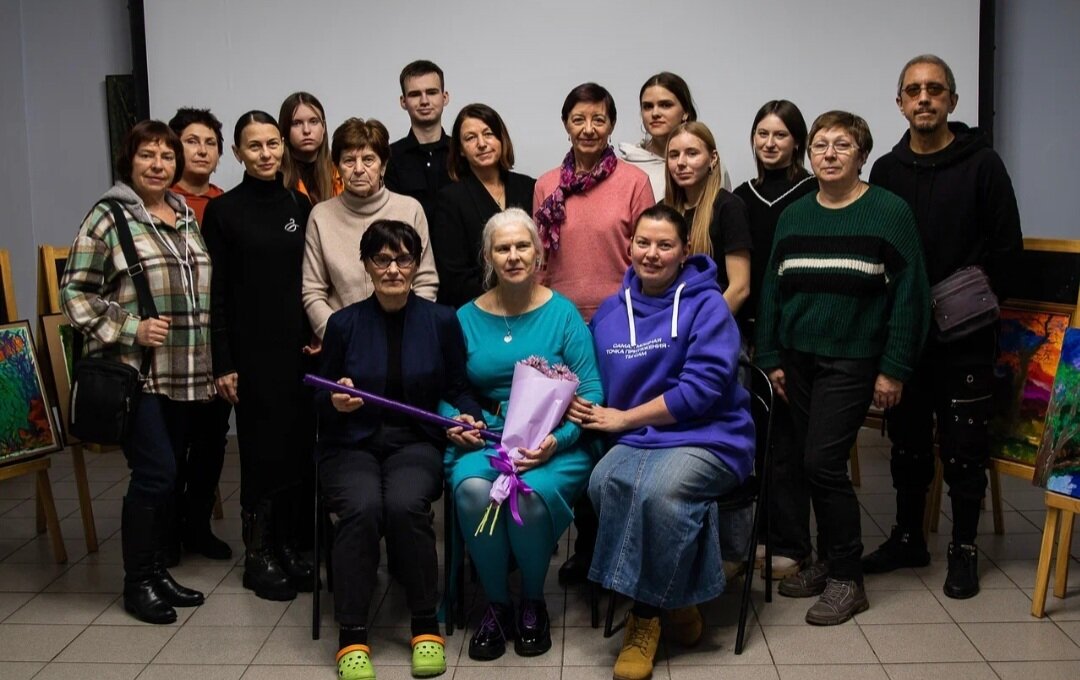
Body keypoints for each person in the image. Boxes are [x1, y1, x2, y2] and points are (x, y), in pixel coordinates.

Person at [755, 110, 930, 625]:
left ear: (862, 155)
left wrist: (894, 369)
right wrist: (771, 357)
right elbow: (772, 289)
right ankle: (829, 560)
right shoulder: (795, 215)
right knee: (804, 459)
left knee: (822, 463)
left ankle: (848, 579)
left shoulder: (888, 211)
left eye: (842, 145)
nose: (829, 155)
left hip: (852, 359)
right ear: (808, 155)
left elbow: (910, 296)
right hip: (796, 359)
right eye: (820, 146)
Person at [569, 204, 754, 680]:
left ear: (685, 251)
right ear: (629, 247)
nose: (652, 254)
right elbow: (594, 378)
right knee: (603, 482)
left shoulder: (708, 305)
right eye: (643, 243)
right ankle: (680, 600)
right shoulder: (611, 312)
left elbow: (702, 390)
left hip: (711, 434)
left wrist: (624, 418)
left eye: (665, 245)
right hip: (639, 436)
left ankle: (644, 617)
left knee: (659, 492)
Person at [863, 54, 1023, 599]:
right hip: (906, 338)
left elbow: (1007, 252)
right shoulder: (886, 171)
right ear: (900, 102)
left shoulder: (984, 165)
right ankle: (909, 537)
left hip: (966, 339)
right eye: (914, 90)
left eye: (935, 89)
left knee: (963, 449)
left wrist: (971, 305)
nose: (924, 98)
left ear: (952, 100)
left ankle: (963, 548)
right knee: (907, 444)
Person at [316, 220, 484, 680]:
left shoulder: (442, 320)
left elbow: (458, 387)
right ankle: (352, 633)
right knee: (362, 508)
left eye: (403, 259)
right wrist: (334, 401)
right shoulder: (343, 324)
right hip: (350, 444)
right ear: (366, 266)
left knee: (405, 504)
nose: (393, 269)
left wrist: (469, 416)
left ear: (416, 264)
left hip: (414, 441)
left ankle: (425, 624)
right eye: (382, 259)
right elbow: (318, 397)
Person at [61, 120, 209, 624]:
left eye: (167, 156)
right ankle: (137, 582)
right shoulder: (108, 216)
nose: (158, 165)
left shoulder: (184, 214)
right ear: (129, 161)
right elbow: (74, 293)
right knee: (156, 472)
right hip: (134, 373)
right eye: (148, 155)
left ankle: (158, 572)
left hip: (183, 371)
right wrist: (131, 328)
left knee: (171, 475)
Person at [445, 208, 603, 661]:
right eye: (502, 248)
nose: (513, 256)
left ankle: (532, 600)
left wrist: (560, 441)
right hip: (489, 436)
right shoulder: (464, 318)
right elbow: (447, 388)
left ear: (538, 254)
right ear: (488, 258)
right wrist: (457, 421)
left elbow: (592, 390)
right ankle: (497, 605)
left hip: (554, 441)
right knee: (473, 491)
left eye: (521, 246)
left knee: (528, 496)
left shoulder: (563, 313)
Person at [534, 83, 653, 584]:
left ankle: (615, 548)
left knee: (610, 433)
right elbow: (540, 261)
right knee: (574, 435)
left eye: (598, 119)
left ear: (611, 125)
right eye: (579, 119)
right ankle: (585, 548)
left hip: (617, 327)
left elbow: (647, 256)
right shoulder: (546, 185)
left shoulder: (634, 182)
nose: (588, 128)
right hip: (561, 326)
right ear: (566, 124)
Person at [201, 110, 316, 602]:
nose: (266, 154)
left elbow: (309, 279)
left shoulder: (298, 203)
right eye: (254, 146)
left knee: (295, 448)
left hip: (297, 352)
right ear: (238, 153)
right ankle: (259, 554)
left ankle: (288, 545)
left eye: (272, 144)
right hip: (250, 355)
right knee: (260, 451)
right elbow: (216, 293)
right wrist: (224, 361)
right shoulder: (224, 211)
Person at [732, 100, 817, 580]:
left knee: (787, 445)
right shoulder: (741, 197)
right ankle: (759, 536)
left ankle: (792, 543)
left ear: (796, 141)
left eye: (780, 135)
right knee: (756, 441)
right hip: (745, 333)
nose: (769, 143)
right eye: (762, 134)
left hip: (790, 335)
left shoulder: (812, 193)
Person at [162, 107, 233, 563]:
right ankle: (166, 531)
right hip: (173, 344)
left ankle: (197, 526)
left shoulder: (224, 203)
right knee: (173, 441)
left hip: (216, 341)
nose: (202, 150)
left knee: (211, 440)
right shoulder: (160, 203)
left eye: (210, 143)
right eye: (192, 141)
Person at [303, 117, 439, 340]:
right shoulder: (321, 216)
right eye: (349, 161)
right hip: (344, 341)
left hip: (406, 337)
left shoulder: (410, 209)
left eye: (368, 160)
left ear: (383, 166)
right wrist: (339, 336)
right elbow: (313, 291)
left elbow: (426, 280)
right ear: (337, 167)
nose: (358, 169)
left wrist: (409, 331)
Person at [434, 103, 535, 308]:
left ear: (501, 139)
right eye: (470, 138)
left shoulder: (529, 187)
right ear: (461, 150)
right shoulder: (450, 199)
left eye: (488, 134)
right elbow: (454, 276)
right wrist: (506, 297)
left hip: (531, 303)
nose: (481, 144)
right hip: (478, 308)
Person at [665, 121, 752, 317]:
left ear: (713, 159)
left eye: (692, 153)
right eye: (674, 155)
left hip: (713, 325)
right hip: (671, 323)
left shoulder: (728, 207)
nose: (681, 162)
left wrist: (705, 326)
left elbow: (739, 288)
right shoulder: (663, 210)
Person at [385, 60, 451, 228]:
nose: (424, 101)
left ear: (445, 97)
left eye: (432, 92)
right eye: (415, 94)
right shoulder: (389, 157)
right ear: (403, 101)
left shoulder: (463, 153)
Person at [618, 72, 699, 201]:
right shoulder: (624, 168)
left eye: (665, 105)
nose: (655, 113)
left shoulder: (707, 165)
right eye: (648, 107)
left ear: (685, 112)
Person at [278, 91, 343, 204]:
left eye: (313, 121)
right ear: (285, 129)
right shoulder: (275, 176)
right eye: (297, 123)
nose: (306, 130)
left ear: (323, 127)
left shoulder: (340, 171)